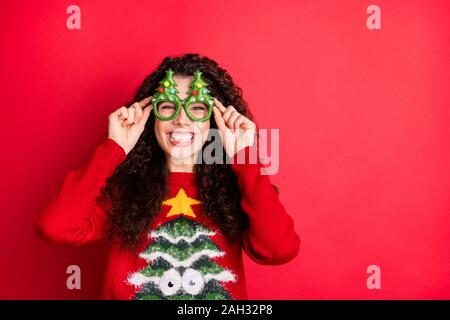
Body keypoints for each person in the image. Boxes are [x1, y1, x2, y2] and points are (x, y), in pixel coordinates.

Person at [34, 53, 300, 300]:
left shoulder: (236, 190)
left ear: (216, 120)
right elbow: (54, 227)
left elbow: (279, 249)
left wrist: (244, 155)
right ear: (152, 118)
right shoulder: (124, 189)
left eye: (197, 108)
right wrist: (113, 148)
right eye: (168, 106)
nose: (182, 120)